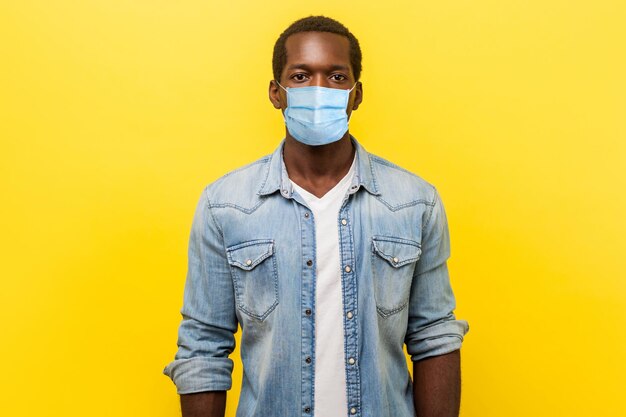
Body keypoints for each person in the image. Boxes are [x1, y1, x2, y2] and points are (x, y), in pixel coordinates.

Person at [163, 15, 469, 417]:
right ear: (277, 92)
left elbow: (434, 336)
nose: (320, 89)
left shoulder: (414, 202)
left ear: (357, 95)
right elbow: (203, 346)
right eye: (302, 76)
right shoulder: (225, 205)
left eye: (337, 77)